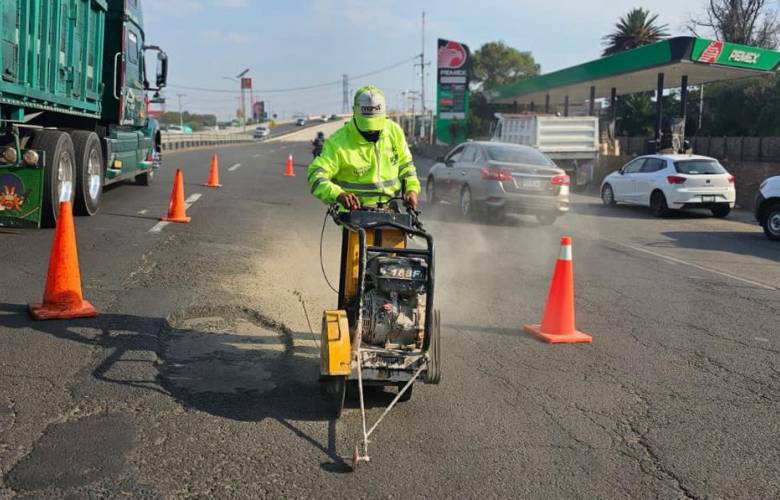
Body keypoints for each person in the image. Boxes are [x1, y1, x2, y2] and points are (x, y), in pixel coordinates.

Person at [307, 85, 420, 211]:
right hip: (353, 214)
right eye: (366, 124)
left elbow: (406, 167)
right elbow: (316, 175)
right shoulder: (338, 142)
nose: (371, 130)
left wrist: (412, 189)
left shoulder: (394, 132)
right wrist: (338, 194)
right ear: (354, 111)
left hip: (390, 211)